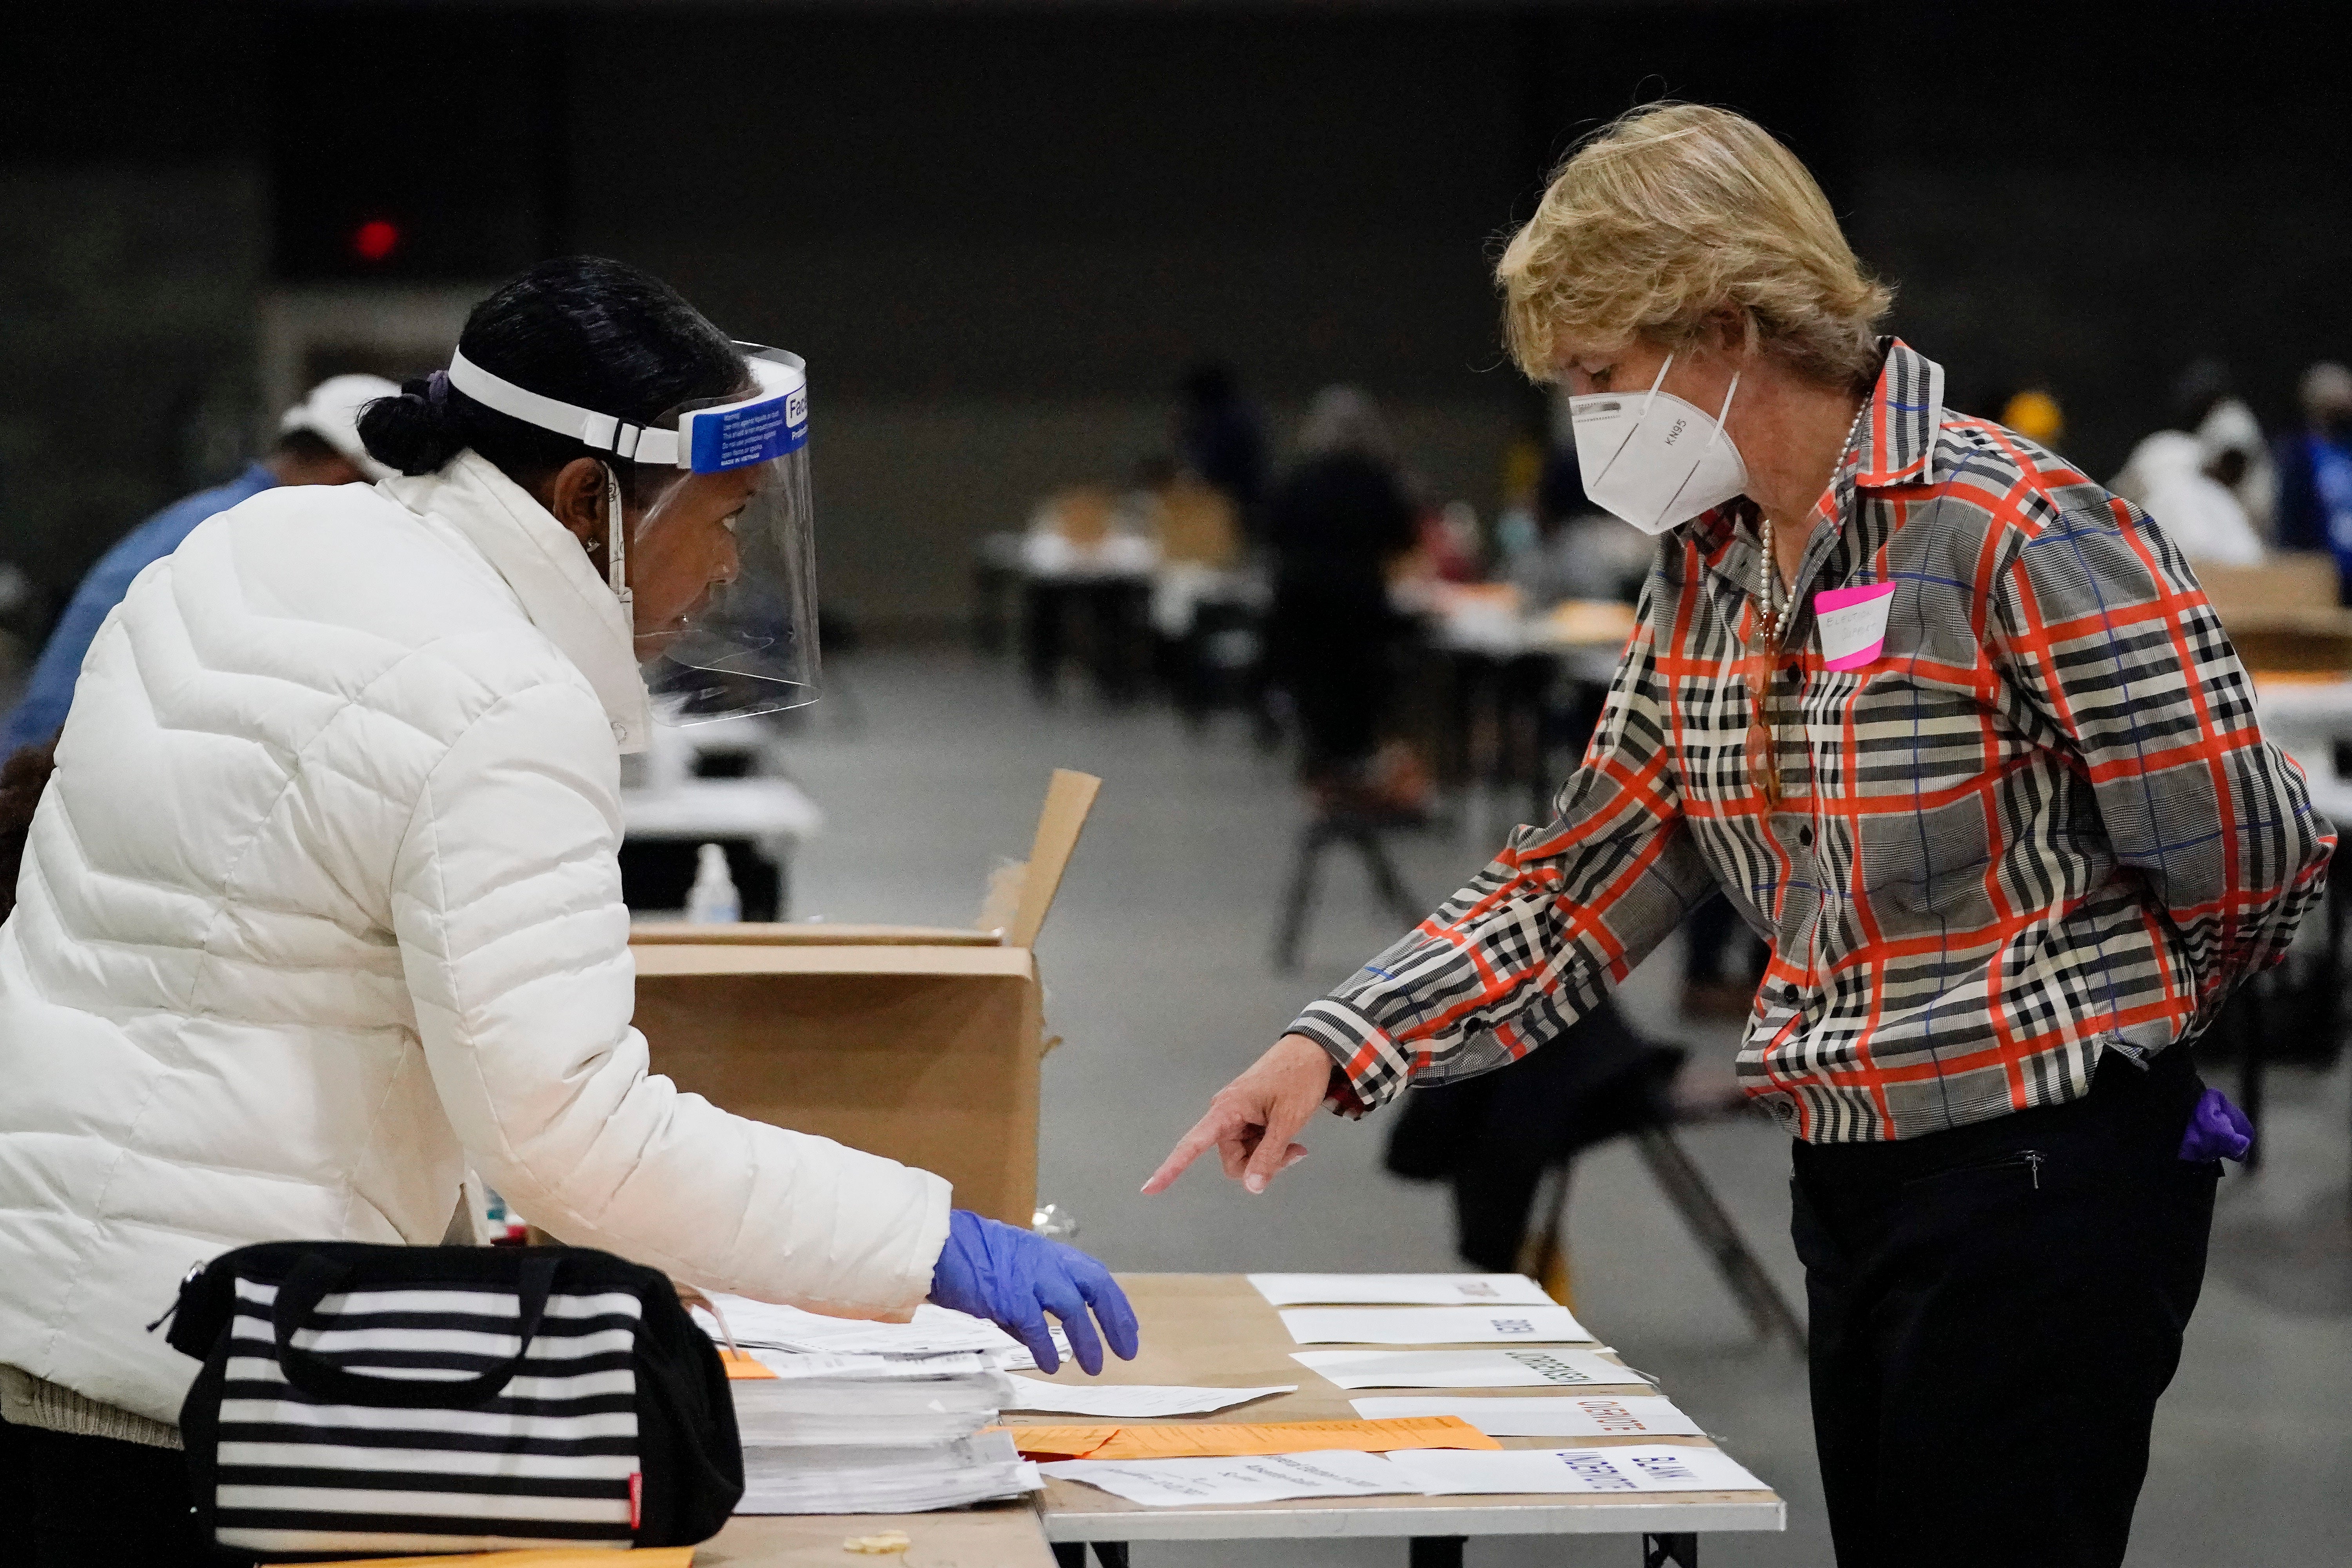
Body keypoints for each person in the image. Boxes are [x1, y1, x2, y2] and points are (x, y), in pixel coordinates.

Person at [1145, 105, 2328, 1568]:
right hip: (1849, 1172)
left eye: (1594, 375)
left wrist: (2112, 1041)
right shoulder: (1710, 563)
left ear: (1720, 326)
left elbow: (2250, 850)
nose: (1583, 419)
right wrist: (1336, 1040)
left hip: (2040, 1188)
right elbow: (1587, 872)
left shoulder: (2013, 530)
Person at [0, 257, 1136, 1566]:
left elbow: (264, 964)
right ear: (587, 496)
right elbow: (573, 1134)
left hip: (45, 1302)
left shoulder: (254, 546)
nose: (722, 572)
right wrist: (925, 1237)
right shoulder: (504, 697)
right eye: (718, 519)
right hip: (194, 1384)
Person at [0, 374, 400, 755]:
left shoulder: (212, 516)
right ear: (342, 477)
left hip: (40, 771)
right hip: (55, 778)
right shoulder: (255, 534)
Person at [1261, 386, 1419, 784]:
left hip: (1302, 602)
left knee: (1314, 683)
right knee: (1356, 686)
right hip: (1359, 601)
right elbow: (1404, 536)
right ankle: (1354, 763)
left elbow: (1273, 531)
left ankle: (1320, 760)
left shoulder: (1300, 478)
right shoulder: (1380, 480)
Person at [2273, 361, 2352, 595]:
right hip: (2323, 572)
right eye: (2337, 407)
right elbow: (2292, 521)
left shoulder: (2347, 451)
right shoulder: (2300, 457)